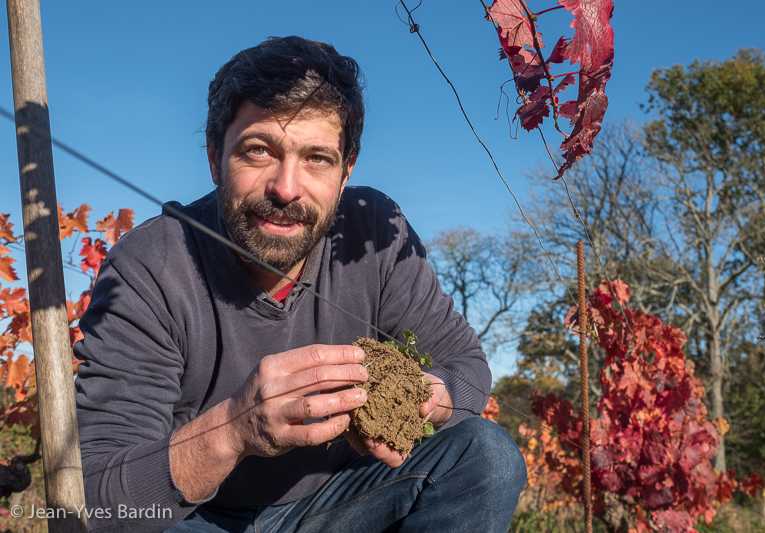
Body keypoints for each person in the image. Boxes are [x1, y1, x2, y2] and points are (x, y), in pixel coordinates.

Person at [74, 36, 526, 533]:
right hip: (196, 517)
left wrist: (411, 396)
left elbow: (467, 371)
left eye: (317, 158)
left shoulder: (374, 232)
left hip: (341, 502)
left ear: (346, 171)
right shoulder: (149, 265)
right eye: (258, 150)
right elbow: (96, 499)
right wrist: (233, 430)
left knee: (488, 456)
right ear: (213, 155)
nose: (286, 188)